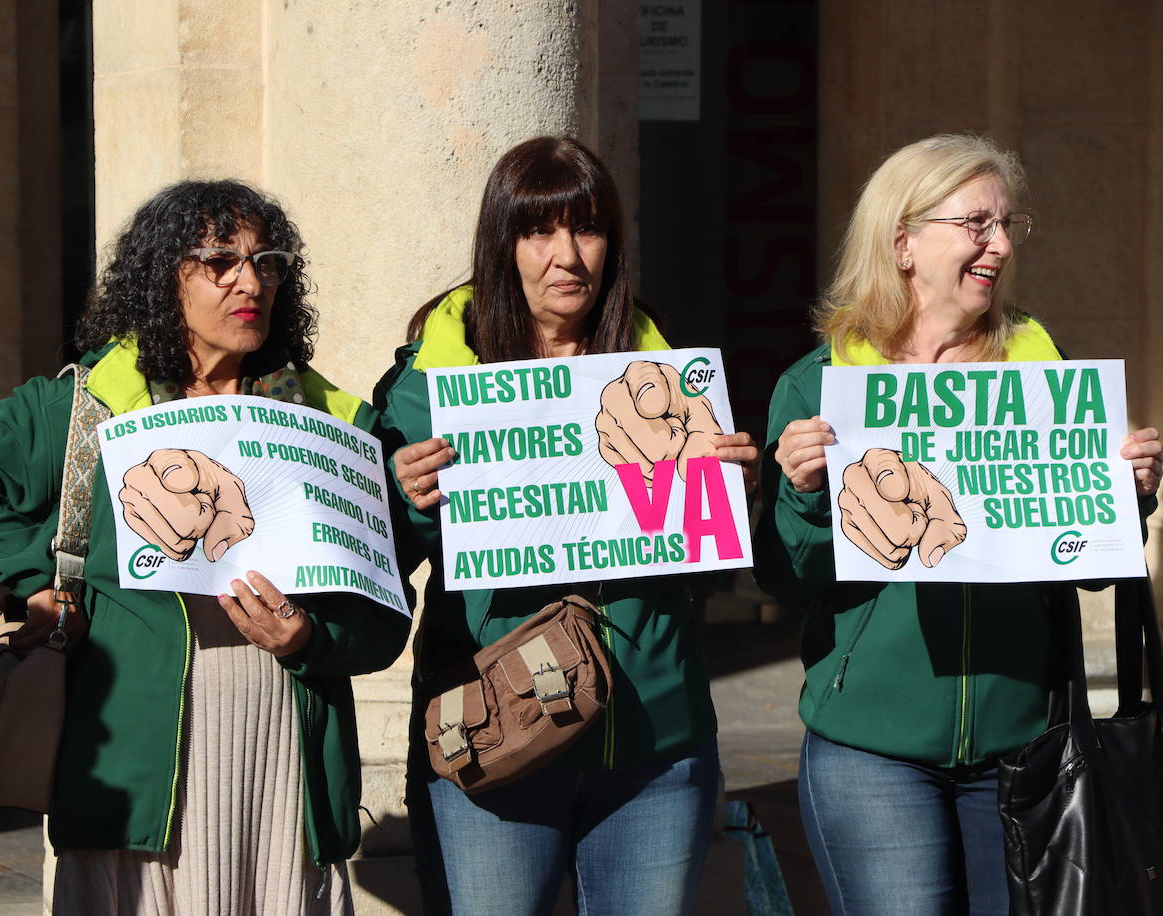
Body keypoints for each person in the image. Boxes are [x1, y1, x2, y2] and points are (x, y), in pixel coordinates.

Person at [0, 180, 408, 915]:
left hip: (283, 775)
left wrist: (309, 636)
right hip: (134, 779)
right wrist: (46, 573)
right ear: (165, 277)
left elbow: (381, 623)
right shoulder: (86, 407)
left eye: (267, 261)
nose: (249, 281)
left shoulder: (336, 422)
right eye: (219, 261)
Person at [755, 133, 1163, 916]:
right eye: (977, 224)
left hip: (1023, 753)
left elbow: (1087, 563)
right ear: (903, 242)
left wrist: (1126, 494)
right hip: (871, 753)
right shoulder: (819, 385)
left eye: (1007, 225)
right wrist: (803, 494)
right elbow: (784, 578)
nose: (1000, 245)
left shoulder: (1043, 370)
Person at [371, 135, 759, 915]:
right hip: (497, 734)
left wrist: (739, 493)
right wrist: (403, 499)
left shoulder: (665, 374)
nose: (567, 256)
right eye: (540, 231)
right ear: (502, 244)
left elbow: (708, 567)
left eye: (586, 229)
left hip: (654, 746)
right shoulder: (427, 386)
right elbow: (382, 563)